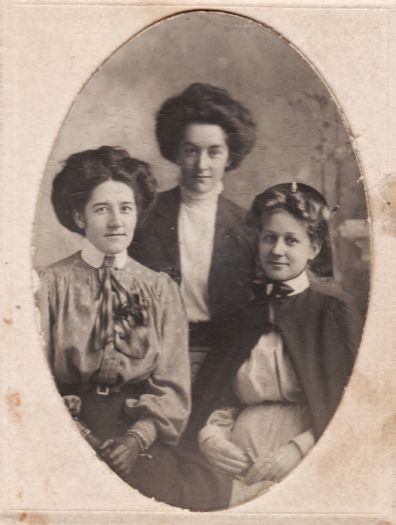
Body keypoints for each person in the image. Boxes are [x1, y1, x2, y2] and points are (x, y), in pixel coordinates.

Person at [197, 182, 363, 506]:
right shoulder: (242, 315)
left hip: (308, 462)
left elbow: (352, 408)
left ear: (313, 247)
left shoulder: (334, 309)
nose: (277, 250)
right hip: (239, 469)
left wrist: (300, 449)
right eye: (269, 237)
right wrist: (210, 437)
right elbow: (220, 397)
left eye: (291, 240)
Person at [37, 146, 191, 494]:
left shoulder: (160, 289)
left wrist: (135, 441)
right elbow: (33, 381)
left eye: (126, 208)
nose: (116, 221)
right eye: (102, 209)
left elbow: (173, 386)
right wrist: (82, 437)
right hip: (67, 428)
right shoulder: (47, 285)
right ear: (80, 217)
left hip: (140, 430)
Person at [129, 82, 257, 388]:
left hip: (225, 360)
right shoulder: (144, 217)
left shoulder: (249, 226)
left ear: (229, 156)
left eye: (214, 152)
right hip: (153, 357)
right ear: (176, 152)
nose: (202, 165)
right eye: (191, 151)